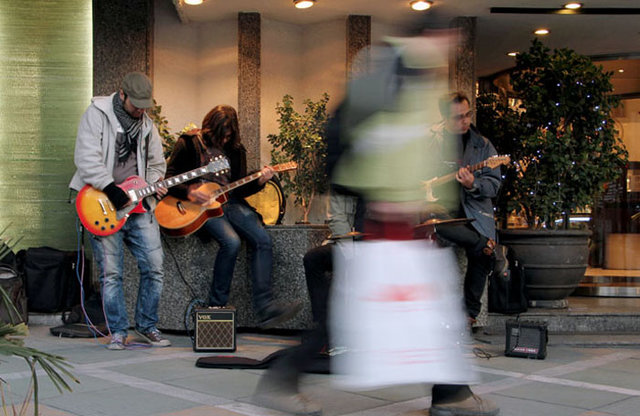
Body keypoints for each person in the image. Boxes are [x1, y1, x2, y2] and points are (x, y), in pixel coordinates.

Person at [165, 105, 301, 328]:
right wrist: (189, 192)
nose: (224, 141)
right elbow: (168, 179)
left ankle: (266, 307)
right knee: (231, 242)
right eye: (220, 136)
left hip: (230, 202)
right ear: (209, 129)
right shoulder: (189, 143)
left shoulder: (237, 150)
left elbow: (239, 189)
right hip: (198, 206)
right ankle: (215, 308)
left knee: (263, 239)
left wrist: (260, 180)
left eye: (228, 136)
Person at [69, 72, 170, 350]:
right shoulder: (97, 115)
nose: (140, 110)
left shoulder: (148, 126)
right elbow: (86, 158)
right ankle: (118, 332)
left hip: (139, 205)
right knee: (111, 273)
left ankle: (147, 326)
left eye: (145, 105)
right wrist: (110, 189)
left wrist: (155, 184)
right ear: (122, 94)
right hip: (102, 201)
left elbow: (156, 163)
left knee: (155, 267)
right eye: (136, 103)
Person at [428, 92, 506, 326]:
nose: (464, 121)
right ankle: (488, 246)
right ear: (444, 117)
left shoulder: (482, 145)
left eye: (467, 115)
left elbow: (494, 185)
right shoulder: (431, 142)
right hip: (437, 212)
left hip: (472, 215)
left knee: (480, 252)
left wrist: (474, 184)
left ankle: (469, 315)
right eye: (457, 117)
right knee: (482, 245)